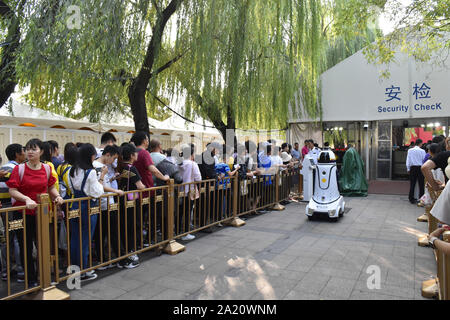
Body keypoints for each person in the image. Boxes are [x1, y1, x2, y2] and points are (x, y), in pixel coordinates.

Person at [7, 139, 63, 287]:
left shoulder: (46, 168)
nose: (29, 152)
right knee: (25, 246)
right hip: (22, 213)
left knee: (43, 245)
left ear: (41, 151)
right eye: (27, 149)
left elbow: (50, 187)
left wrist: (57, 196)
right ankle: (30, 280)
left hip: (42, 213)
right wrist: (26, 199)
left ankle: (43, 277)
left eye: (34, 149)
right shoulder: (19, 169)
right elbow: (12, 190)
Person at [67, 143, 106, 281]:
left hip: (74, 205)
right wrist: (102, 177)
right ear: (91, 156)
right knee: (85, 239)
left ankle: (74, 269)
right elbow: (97, 192)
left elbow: (72, 190)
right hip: (88, 207)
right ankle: (83, 271)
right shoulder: (90, 172)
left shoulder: (71, 170)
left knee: (75, 239)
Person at [130, 132, 169, 244]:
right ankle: (147, 241)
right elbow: (152, 169)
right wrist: (164, 177)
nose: (148, 141)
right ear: (144, 141)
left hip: (134, 191)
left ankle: (136, 243)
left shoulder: (132, 152)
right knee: (151, 218)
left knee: (137, 219)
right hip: (147, 191)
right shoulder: (144, 153)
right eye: (147, 139)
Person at [116, 143, 148, 269]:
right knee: (132, 227)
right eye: (136, 153)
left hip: (122, 201)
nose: (137, 155)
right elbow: (140, 186)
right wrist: (145, 187)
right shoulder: (131, 168)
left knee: (125, 227)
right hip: (131, 203)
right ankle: (130, 253)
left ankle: (126, 253)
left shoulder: (121, 167)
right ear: (131, 155)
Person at [92, 145, 124, 268]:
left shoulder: (99, 166)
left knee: (102, 232)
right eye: (114, 158)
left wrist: (111, 179)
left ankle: (103, 260)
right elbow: (100, 186)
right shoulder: (98, 166)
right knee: (110, 232)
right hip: (105, 204)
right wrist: (116, 191)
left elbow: (103, 183)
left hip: (105, 203)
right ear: (108, 155)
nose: (114, 161)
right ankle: (119, 258)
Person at [0, 144, 26, 283]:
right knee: (16, 238)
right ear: (17, 154)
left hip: (3, 207)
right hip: (13, 207)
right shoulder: (16, 169)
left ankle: (6, 271)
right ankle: (21, 270)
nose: (25, 154)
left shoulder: (2, 168)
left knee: (6, 239)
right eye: (23, 151)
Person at [177, 144, 202, 241]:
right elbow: (198, 178)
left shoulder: (178, 163)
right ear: (191, 154)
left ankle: (178, 231)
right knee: (187, 211)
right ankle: (186, 233)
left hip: (180, 190)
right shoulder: (192, 164)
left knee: (179, 212)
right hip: (190, 190)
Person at [406, 138, 426, 204]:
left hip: (413, 168)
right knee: (421, 184)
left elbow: (408, 160)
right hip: (420, 168)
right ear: (420, 143)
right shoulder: (423, 151)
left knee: (412, 184)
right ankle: (421, 199)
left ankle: (411, 198)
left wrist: (408, 168)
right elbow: (424, 160)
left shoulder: (410, 150)